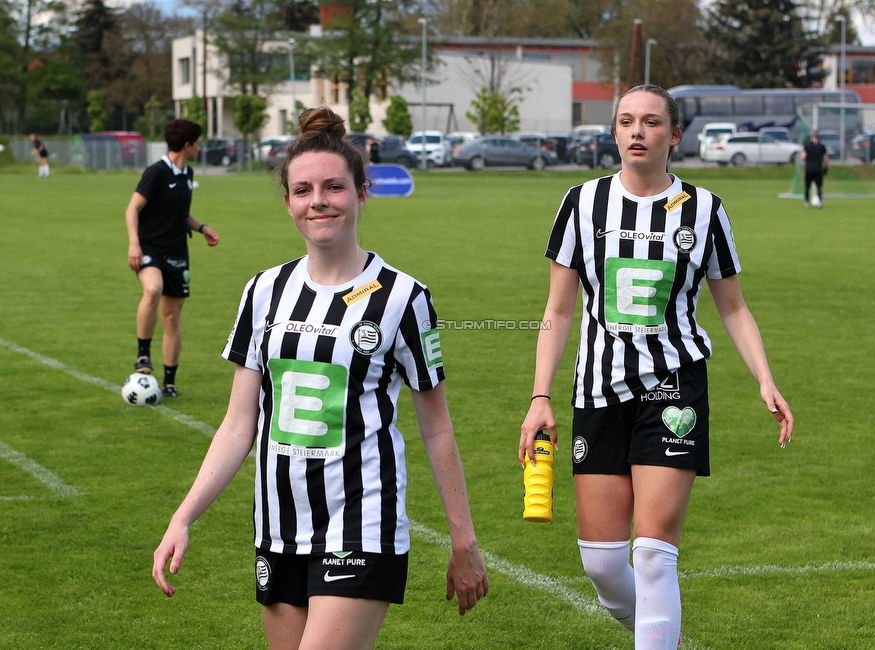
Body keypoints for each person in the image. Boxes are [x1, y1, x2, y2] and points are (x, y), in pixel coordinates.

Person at [152, 106, 489, 649]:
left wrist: (463, 541)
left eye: (334, 187)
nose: (319, 201)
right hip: (279, 528)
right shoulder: (263, 291)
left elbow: (437, 428)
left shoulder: (403, 297)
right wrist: (183, 516)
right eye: (304, 190)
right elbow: (239, 425)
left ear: (361, 192)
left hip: (362, 523)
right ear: (288, 202)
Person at [518, 85, 794, 650]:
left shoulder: (705, 209)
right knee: (601, 566)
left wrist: (765, 378)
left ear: (674, 134)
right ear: (614, 132)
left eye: (650, 122)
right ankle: (653, 631)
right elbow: (558, 308)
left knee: (651, 553)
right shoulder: (581, 202)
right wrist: (539, 395)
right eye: (626, 121)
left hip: (674, 389)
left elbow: (733, 306)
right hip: (596, 390)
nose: (637, 132)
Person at [125, 119, 219, 398]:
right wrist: (134, 244)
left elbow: (180, 213)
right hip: (149, 247)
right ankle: (143, 356)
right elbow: (132, 209)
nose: (199, 148)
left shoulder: (187, 174)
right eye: (198, 144)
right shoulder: (156, 172)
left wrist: (202, 227)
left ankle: (169, 382)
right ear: (187, 145)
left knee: (172, 317)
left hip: (177, 251)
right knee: (152, 289)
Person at [801, 131, 829, 209]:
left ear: (811, 137)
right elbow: (826, 158)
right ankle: (819, 202)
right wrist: (826, 167)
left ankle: (806, 202)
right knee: (819, 187)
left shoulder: (807, 145)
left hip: (809, 169)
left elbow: (803, 156)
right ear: (818, 137)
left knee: (807, 187)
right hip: (818, 169)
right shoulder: (821, 146)